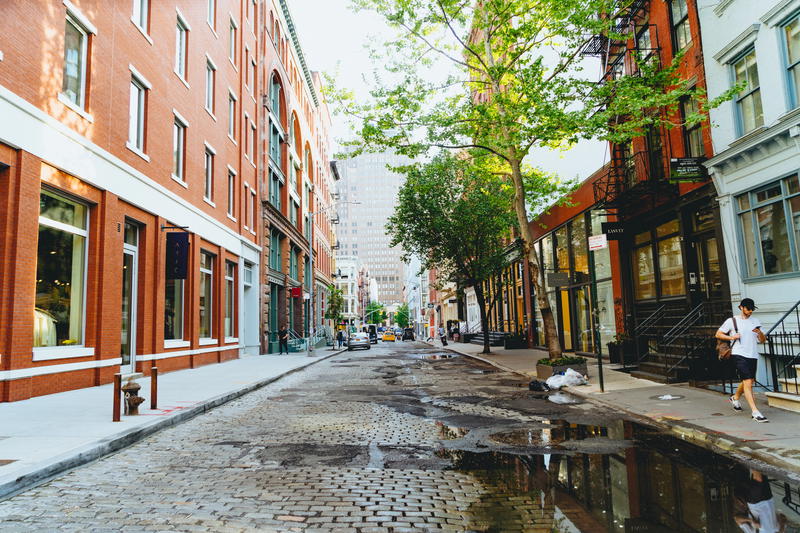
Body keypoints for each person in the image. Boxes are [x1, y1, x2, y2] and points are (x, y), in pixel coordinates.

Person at [717, 298, 768, 422]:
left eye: (752, 310)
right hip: (738, 354)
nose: (750, 312)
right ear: (741, 307)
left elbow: (762, 340)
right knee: (748, 382)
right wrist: (732, 337)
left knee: (750, 380)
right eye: (748, 309)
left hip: (753, 355)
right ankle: (755, 412)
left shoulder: (755, 321)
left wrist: (759, 332)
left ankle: (735, 397)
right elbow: (718, 334)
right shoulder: (732, 321)